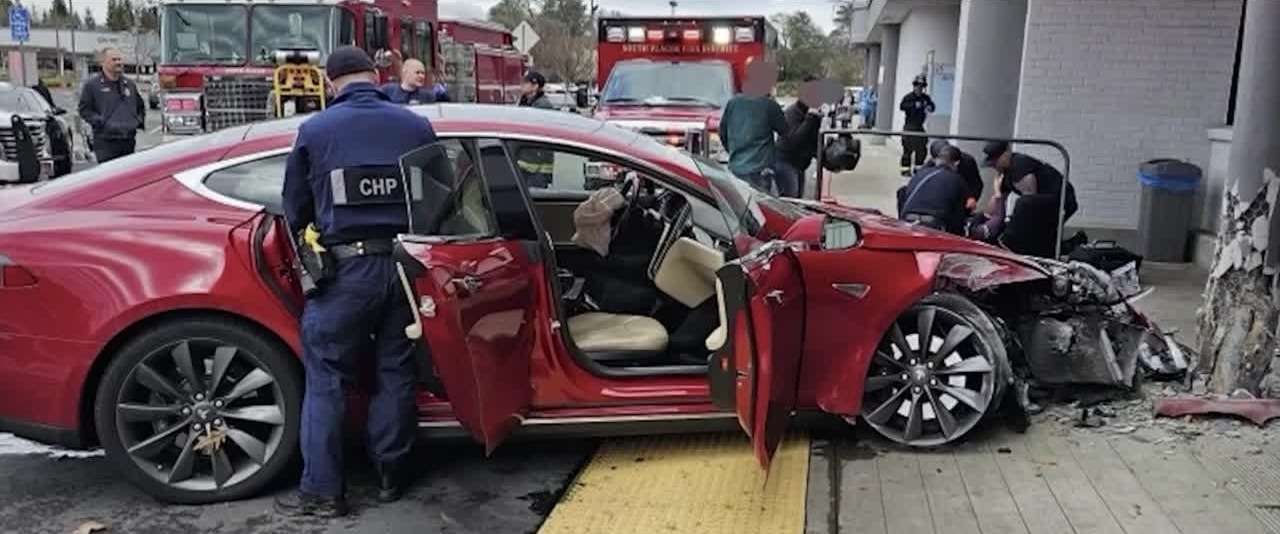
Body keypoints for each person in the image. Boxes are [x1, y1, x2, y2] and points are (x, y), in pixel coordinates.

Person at [274, 45, 437, 518]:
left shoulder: (316, 129)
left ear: (331, 83)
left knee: (326, 379)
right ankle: (391, 474)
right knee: (395, 369)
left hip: (344, 272)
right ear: (376, 75)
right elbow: (440, 197)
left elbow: (294, 208)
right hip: (404, 266)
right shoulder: (414, 124)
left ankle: (324, 491)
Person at [969, 140, 1079, 258]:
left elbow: (1030, 202)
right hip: (1046, 201)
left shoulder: (1020, 165)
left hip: (1062, 200)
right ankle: (1069, 244)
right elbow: (996, 203)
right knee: (1031, 230)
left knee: (1026, 214)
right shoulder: (1005, 173)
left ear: (1006, 154)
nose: (995, 166)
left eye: (996, 162)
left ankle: (1052, 252)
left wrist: (1009, 235)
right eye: (991, 164)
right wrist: (983, 219)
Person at [720, 58, 788, 193]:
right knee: (760, 209)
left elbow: (723, 133)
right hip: (760, 170)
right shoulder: (769, 105)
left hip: (735, 168)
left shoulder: (733, 103)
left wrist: (734, 153)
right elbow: (785, 131)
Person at [776, 75, 841, 198]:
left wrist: (829, 161)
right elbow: (792, 141)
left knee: (798, 201)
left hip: (799, 165)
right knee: (791, 202)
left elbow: (812, 144)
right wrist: (811, 117)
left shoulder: (814, 115)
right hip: (786, 163)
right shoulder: (793, 112)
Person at [78, 47, 145, 163]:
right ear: (103, 63)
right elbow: (85, 110)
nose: (118, 63)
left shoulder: (129, 84)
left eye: (119, 59)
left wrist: (137, 122)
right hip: (106, 142)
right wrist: (101, 122)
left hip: (128, 140)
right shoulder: (92, 85)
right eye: (114, 60)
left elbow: (140, 106)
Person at [896, 145, 970, 234]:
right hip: (934, 226)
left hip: (907, 222)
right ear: (957, 163)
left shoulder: (920, 173)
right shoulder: (958, 180)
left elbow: (902, 192)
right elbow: (958, 216)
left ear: (936, 160)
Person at [927, 139, 983, 211]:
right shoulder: (930, 165)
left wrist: (972, 197)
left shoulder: (967, 162)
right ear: (934, 159)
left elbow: (976, 184)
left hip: (962, 197)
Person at [898, 74, 935, 176]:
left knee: (922, 149)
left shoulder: (925, 98)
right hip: (909, 125)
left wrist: (929, 107)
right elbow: (902, 106)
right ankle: (905, 169)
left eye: (921, 86)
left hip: (919, 126)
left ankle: (918, 169)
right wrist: (914, 105)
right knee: (907, 148)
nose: (919, 88)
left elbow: (932, 106)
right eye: (917, 86)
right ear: (914, 86)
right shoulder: (909, 97)